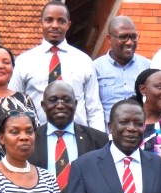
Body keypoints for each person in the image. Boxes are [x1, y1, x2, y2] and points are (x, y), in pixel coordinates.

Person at [9, 0, 105, 131]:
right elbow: (14, 105)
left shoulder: (84, 61)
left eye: (61, 21)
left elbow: (94, 108)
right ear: (41, 23)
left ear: (69, 25)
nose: (55, 25)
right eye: (49, 20)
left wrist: (98, 143)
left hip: (79, 140)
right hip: (37, 139)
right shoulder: (24, 61)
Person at [93, 16, 151, 130]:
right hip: (107, 136)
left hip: (140, 135)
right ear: (109, 39)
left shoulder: (148, 67)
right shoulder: (95, 68)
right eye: (123, 37)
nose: (130, 42)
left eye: (133, 37)